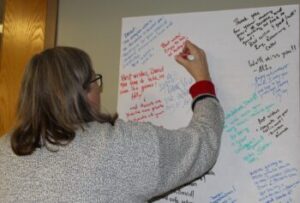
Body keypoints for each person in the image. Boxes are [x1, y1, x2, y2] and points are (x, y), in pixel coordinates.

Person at [0, 40, 224, 202]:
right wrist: (203, 83)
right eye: (95, 80)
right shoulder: (118, 147)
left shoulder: (3, 152)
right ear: (84, 92)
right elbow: (202, 145)